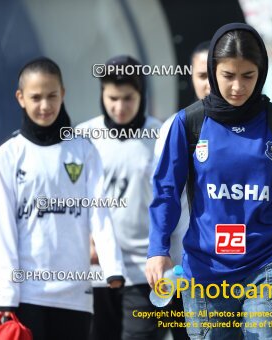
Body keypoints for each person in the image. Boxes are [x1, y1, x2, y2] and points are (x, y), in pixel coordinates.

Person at [145, 23, 272, 340]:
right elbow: (165, 192)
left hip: (267, 265)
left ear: (261, 72)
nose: (237, 86)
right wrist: (157, 249)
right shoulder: (188, 123)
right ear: (212, 71)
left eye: (248, 76)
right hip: (204, 270)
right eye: (228, 75)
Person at [0, 57, 124, 340]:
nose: (44, 105)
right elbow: (3, 230)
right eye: (35, 97)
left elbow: (99, 213)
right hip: (27, 293)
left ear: (63, 93)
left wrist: (113, 266)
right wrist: (6, 291)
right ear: (20, 98)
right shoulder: (8, 155)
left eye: (52, 96)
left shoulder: (83, 150)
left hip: (75, 293)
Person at [78, 55, 187, 340]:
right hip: (95, 271)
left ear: (142, 94)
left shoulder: (162, 136)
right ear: (102, 94)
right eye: (112, 98)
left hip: (146, 272)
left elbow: (175, 205)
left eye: (128, 98)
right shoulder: (82, 138)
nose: (120, 107)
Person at [151, 41, 211, 340]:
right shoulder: (176, 126)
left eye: (217, 74)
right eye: (203, 76)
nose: (210, 84)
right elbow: (164, 196)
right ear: (191, 76)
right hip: (182, 267)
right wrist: (159, 250)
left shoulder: (258, 126)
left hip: (237, 265)